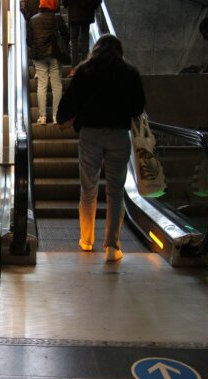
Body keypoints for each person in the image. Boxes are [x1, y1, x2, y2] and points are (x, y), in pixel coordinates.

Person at [55, 34, 145, 261]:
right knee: (115, 193)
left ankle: (86, 240)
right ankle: (112, 246)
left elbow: (67, 107)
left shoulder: (85, 71)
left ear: (96, 49)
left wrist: (69, 118)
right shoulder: (130, 73)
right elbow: (138, 107)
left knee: (88, 190)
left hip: (90, 135)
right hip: (118, 136)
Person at [27, 0, 69, 125]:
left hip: (39, 55)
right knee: (57, 85)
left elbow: (29, 40)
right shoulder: (57, 18)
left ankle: (43, 116)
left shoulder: (33, 19)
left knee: (42, 85)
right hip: (55, 54)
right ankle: (56, 116)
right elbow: (66, 35)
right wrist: (62, 45)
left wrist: (37, 47)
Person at [63, 0, 101, 74]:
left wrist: (65, 3)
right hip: (87, 14)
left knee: (74, 41)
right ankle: (85, 66)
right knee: (85, 40)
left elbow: (65, 2)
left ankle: (74, 68)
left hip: (74, 13)